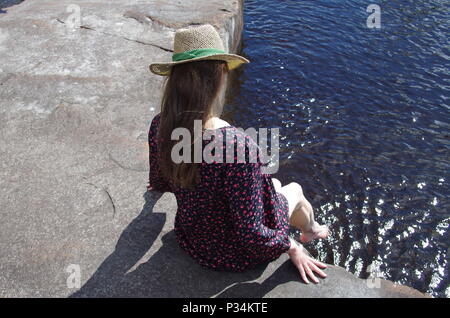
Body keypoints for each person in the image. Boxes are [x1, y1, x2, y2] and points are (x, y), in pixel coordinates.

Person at [147, 24, 329, 284]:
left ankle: (307, 226)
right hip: (234, 254)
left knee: (272, 185)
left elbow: (159, 181)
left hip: (192, 237)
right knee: (296, 189)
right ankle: (310, 231)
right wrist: (291, 247)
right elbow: (253, 234)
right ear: (220, 75)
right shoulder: (236, 146)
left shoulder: (160, 126)